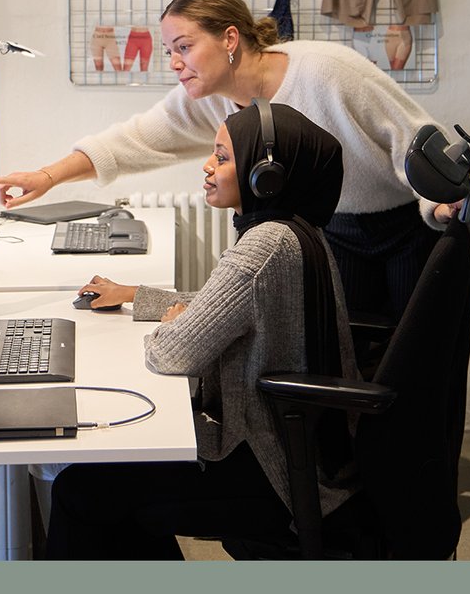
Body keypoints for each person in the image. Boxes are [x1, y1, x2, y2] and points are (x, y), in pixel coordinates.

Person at [0, 0, 470, 323]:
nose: (175, 63)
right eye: (169, 51)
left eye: (183, 46)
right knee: (349, 363)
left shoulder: (326, 72)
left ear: (229, 39)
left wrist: (437, 205)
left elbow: (415, 140)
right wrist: (49, 177)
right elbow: (134, 140)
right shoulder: (213, 100)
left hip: (409, 225)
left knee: (413, 369)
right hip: (336, 232)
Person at [45, 102, 358, 559]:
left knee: (82, 489)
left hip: (275, 473)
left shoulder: (264, 246)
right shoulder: (293, 227)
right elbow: (224, 309)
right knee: (111, 486)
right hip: (297, 453)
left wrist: (171, 328)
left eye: (223, 157)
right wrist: (137, 294)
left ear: (265, 173)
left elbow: (173, 354)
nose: (208, 167)